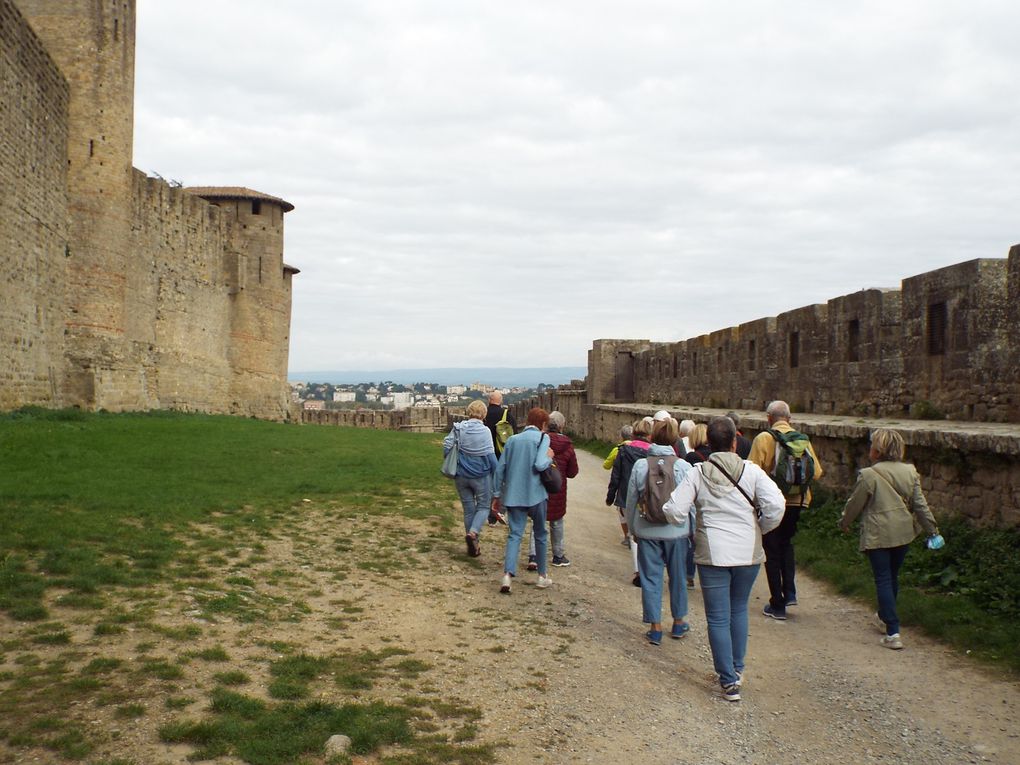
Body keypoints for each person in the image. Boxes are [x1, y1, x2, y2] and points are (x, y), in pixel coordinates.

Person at [663, 416, 785, 702]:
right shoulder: (751, 471)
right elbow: (776, 506)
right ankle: (737, 668)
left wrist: (691, 526)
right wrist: (762, 529)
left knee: (717, 617)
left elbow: (674, 509)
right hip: (747, 551)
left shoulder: (698, 473)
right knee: (738, 610)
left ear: (708, 442)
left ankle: (728, 680)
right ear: (734, 442)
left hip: (713, 552)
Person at [839, 428, 941, 650]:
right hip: (903, 533)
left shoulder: (869, 474)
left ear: (877, 450)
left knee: (883, 579)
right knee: (892, 577)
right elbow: (920, 505)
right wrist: (932, 530)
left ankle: (892, 631)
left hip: (878, 534)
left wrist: (844, 522)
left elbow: (855, 504)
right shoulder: (910, 471)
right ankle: (885, 616)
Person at [748, 400, 823, 620]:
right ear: (789, 419)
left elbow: (752, 471)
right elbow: (817, 472)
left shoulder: (764, 438)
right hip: (798, 502)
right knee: (786, 545)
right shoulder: (803, 440)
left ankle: (777, 604)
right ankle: (790, 592)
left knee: (771, 550)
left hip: (772, 503)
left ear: (769, 418)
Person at [625, 418, 693, 645]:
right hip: (676, 531)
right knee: (678, 577)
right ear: (675, 439)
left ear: (651, 438)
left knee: (651, 578)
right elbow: (690, 504)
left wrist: (633, 528)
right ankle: (678, 621)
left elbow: (632, 500)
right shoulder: (683, 467)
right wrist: (692, 529)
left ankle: (655, 626)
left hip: (647, 530)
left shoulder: (641, 466)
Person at [492, 407, 555, 593]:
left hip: (514, 495)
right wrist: (549, 457)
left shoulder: (512, 440)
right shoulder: (544, 438)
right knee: (540, 535)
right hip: (536, 494)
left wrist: (497, 494)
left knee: (514, 535)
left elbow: (500, 469)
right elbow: (540, 464)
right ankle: (542, 576)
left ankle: (507, 576)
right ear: (543, 424)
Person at [443, 399, 499, 558]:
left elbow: (447, 445)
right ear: (484, 414)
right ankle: (473, 533)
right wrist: (499, 475)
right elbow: (490, 456)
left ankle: (473, 543)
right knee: (483, 507)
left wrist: (450, 459)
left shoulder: (458, 428)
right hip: (480, 476)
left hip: (461, 475)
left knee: (468, 509)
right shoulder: (485, 431)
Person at [525, 411, 579, 569]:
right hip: (557, 488)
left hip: (539, 486)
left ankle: (534, 557)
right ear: (562, 426)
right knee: (556, 522)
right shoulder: (568, 445)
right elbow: (572, 472)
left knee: (538, 522)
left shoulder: (540, 441)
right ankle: (558, 555)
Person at [606, 417, 652, 585]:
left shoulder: (623, 450)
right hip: (647, 498)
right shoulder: (653, 452)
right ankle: (649, 568)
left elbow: (616, 475)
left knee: (634, 536)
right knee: (648, 533)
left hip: (626, 496)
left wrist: (610, 496)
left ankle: (638, 571)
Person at [484, 391, 517, 525]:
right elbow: (514, 434)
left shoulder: (483, 414)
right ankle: (498, 512)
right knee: (503, 484)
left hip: (486, 453)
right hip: (502, 453)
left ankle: (489, 514)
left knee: (488, 484)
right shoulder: (506, 414)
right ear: (501, 400)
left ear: (489, 400)